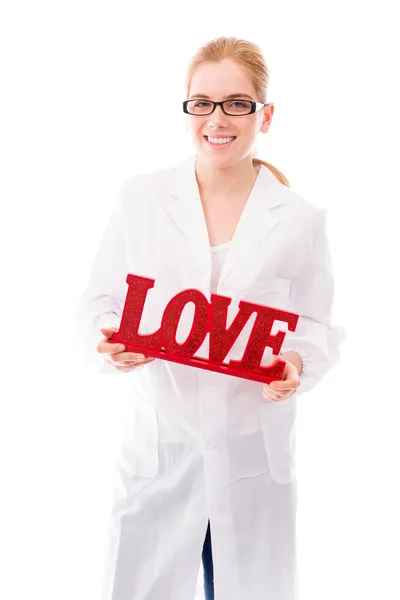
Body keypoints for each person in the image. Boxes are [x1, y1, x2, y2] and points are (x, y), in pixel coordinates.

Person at [75, 36, 345, 600]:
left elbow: (317, 326)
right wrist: (109, 344)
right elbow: (99, 303)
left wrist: (295, 360)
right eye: (202, 102)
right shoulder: (141, 199)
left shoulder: (301, 220)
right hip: (161, 458)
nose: (217, 119)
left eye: (236, 103)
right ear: (187, 109)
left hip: (252, 463)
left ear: (264, 115)